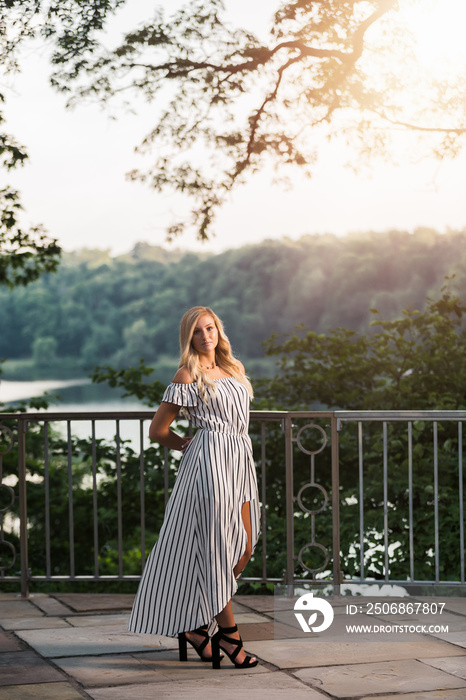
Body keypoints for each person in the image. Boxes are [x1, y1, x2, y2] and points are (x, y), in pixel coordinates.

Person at [128, 306, 260, 669]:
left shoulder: (233, 369)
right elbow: (158, 431)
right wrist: (186, 443)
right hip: (209, 467)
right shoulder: (188, 374)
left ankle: (197, 626)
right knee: (220, 549)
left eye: (210, 328)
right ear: (190, 338)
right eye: (198, 332)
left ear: (219, 330)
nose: (206, 336)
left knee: (244, 546)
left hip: (239, 462)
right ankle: (229, 636)